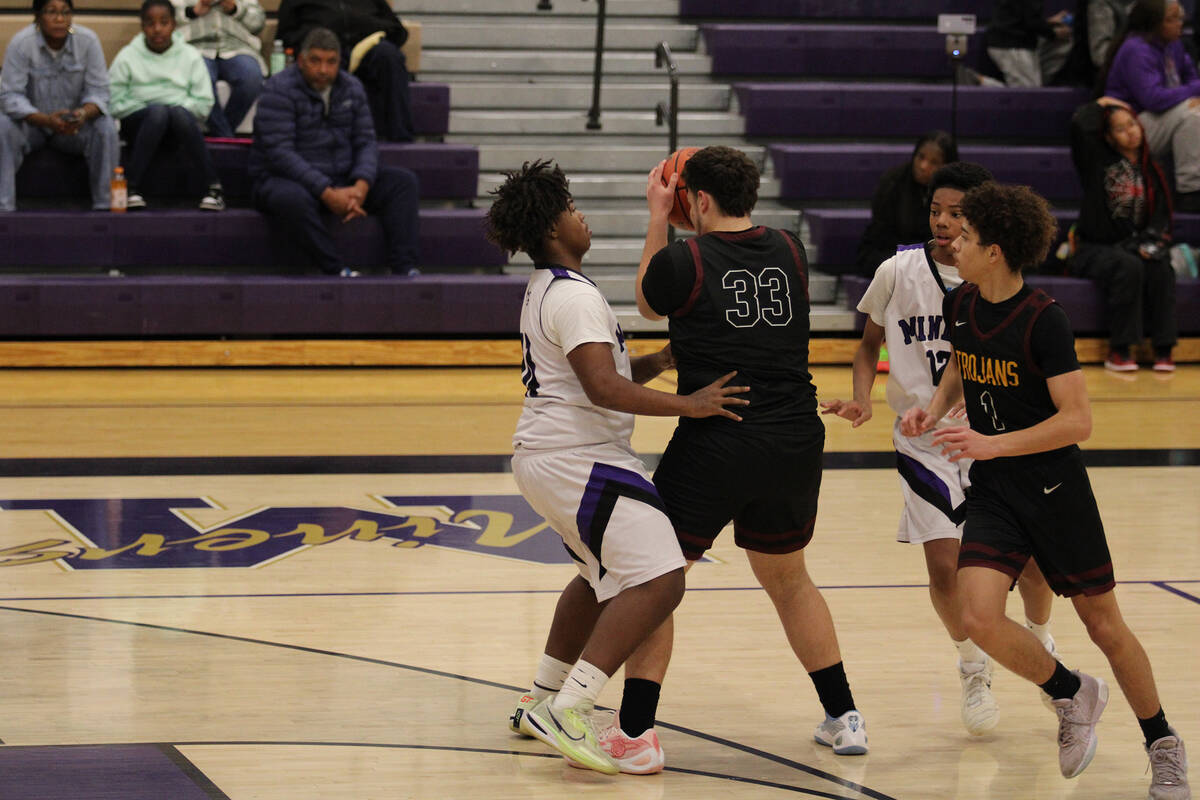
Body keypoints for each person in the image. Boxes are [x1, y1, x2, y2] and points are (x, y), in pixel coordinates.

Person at [900, 182, 1190, 799]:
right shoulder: (963, 306)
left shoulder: (1043, 319)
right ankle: (1070, 692)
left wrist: (991, 443)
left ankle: (1163, 743)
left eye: (968, 236)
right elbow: (961, 364)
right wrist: (935, 409)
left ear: (997, 251)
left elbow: (1077, 421)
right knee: (977, 614)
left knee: (1105, 626)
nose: (954, 241)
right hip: (997, 491)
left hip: (1055, 488)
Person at [488, 159, 749, 775]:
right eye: (571, 207)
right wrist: (691, 404)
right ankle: (570, 709)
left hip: (552, 459)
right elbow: (603, 388)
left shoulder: (550, 287)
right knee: (661, 577)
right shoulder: (573, 295)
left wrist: (661, 358)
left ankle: (542, 695)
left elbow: (598, 377)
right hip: (579, 459)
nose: (581, 214)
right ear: (552, 227)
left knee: (595, 579)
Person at [629, 145, 869, 758]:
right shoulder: (790, 247)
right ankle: (844, 716)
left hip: (721, 432)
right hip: (794, 433)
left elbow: (649, 302)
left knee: (655, 579)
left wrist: (658, 216)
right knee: (789, 579)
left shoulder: (685, 258)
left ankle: (636, 731)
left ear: (699, 200)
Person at [821, 162, 1059, 738]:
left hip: (991, 435)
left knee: (1030, 562)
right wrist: (864, 398)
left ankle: (1041, 640)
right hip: (923, 438)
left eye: (958, 213)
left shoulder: (994, 274)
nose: (945, 222)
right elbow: (867, 346)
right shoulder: (899, 270)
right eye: (936, 211)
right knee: (943, 563)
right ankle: (974, 667)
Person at [249, 27, 419, 276]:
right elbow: (280, 154)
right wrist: (327, 193)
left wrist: (361, 186)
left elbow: (366, 141)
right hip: (286, 179)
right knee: (289, 198)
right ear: (301, 60)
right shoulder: (278, 89)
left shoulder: (352, 87)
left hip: (342, 177)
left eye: (331, 62)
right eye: (315, 61)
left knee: (403, 182)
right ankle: (335, 268)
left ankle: (404, 267)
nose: (323, 70)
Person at [1070, 98, 1177, 371]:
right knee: (1127, 265)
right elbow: (1080, 127)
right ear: (1108, 136)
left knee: (1161, 266)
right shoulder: (1096, 160)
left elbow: (1161, 217)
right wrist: (1101, 103)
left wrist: (1150, 245)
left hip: (1135, 245)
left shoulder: (1153, 169)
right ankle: (1120, 350)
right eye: (1120, 128)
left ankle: (1163, 349)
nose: (1130, 131)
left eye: (1132, 124)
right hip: (1095, 248)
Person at [0, 0, 120, 212]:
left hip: (73, 127)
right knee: (2, 125)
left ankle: (106, 206)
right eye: (51, 12)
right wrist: (45, 120)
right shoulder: (21, 43)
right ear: (37, 16)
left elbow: (100, 93)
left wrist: (81, 114)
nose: (59, 19)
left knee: (106, 126)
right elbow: (10, 97)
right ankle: (3, 208)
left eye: (65, 12)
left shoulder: (88, 41)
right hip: (32, 126)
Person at [108, 0, 225, 211]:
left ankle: (213, 189)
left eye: (164, 22)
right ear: (142, 26)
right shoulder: (127, 56)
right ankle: (132, 187)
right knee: (158, 113)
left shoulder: (190, 55)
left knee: (175, 113)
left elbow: (204, 103)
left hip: (178, 127)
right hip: (138, 126)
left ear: (174, 24)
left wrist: (171, 107)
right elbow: (114, 102)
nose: (158, 29)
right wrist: (151, 106)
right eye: (150, 23)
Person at [1101, 0, 1200, 211]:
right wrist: (1189, 96)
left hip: (1160, 117)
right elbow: (1153, 98)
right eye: (1172, 19)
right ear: (1154, 23)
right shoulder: (1136, 50)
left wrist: (1189, 93)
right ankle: (1191, 191)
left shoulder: (1174, 44)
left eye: (1180, 17)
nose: (1180, 23)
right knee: (1194, 113)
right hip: (1130, 124)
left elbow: (1193, 79)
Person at [276, 0, 413, 141]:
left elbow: (398, 31)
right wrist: (319, 36)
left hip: (366, 49)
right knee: (325, 63)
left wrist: (366, 28)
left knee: (390, 56)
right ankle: (324, 141)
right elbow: (285, 36)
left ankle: (401, 140)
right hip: (323, 51)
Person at [855, 131, 957, 277]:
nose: (923, 166)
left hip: (933, 257)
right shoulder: (892, 183)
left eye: (934, 162)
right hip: (891, 252)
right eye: (921, 157)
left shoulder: (954, 193)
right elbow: (881, 236)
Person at [173, 0, 267, 138]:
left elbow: (258, 23)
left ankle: (220, 139)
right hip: (195, 47)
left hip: (237, 47)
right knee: (201, 79)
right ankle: (227, 141)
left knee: (251, 77)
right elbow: (164, 17)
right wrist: (193, 11)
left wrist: (235, 8)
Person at [985, 0, 1074, 86]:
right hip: (1011, 44)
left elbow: (1021, 16)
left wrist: (1048, 23)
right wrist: (1053, 33)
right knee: (1028, 93)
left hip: (1013, 40)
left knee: (1032, 90)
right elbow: (1030, 20)